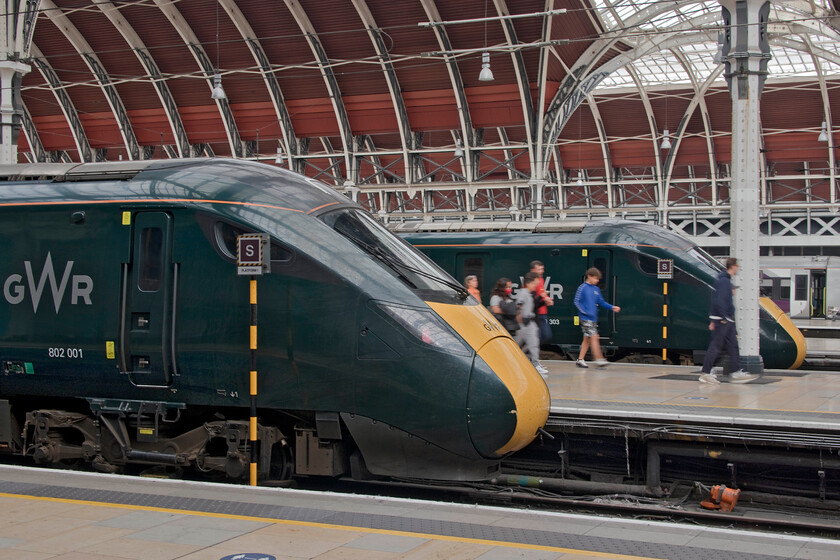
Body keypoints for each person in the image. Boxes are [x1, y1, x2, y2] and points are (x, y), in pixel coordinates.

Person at [698, 258, 760, 384]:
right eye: (738, 266)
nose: (734, 291)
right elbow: (718, 301)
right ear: (734, 266)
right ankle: (705, 372)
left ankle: (736, 372)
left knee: (733, 346)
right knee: (716, 346)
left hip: (727, 320)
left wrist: (732, 326)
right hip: (722, 320)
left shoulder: (725, 280)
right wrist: (723, 318)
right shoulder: (724, 282)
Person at [573, 267, 621, 368]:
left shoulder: (596, 289)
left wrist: (612, 307)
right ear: (589, 276)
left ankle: (580, 360)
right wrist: (584, 312)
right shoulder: (582, 287)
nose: (597, 281)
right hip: (585, 318)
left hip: (593, 318)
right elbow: (576, 301)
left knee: (587, 339)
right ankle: (599, 359)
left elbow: (601, 302)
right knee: (594, 337)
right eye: (595, 278)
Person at [516, 272, 548, 376]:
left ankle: (534, 363)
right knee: (519, 344)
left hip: (530, 322)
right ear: (529, 284)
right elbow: (518, 305)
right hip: (524, 323)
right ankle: (532, 364)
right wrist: (519, 316)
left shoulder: (529, 294)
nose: (536, 286)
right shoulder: (523, 293)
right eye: (534, 284)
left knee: (533, 343)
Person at [530, 260, 554, 344]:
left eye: (542, 269)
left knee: (546, 336)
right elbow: (533, 297)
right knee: (538, 336)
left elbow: (542, 293)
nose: (542, 271)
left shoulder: (541, 280)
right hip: (535, 313)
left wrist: (547, 299)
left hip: (543, 312)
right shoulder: (529, 282)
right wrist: (545, 299)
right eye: (539, 269)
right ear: (533, 270)